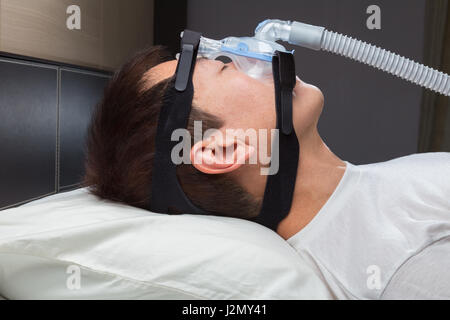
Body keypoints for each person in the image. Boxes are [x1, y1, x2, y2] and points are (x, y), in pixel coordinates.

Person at [85, 46, 450, 299]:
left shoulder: (375, 197)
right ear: (221, 150)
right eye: (227, 66)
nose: (253, 58)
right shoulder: (399, 268)